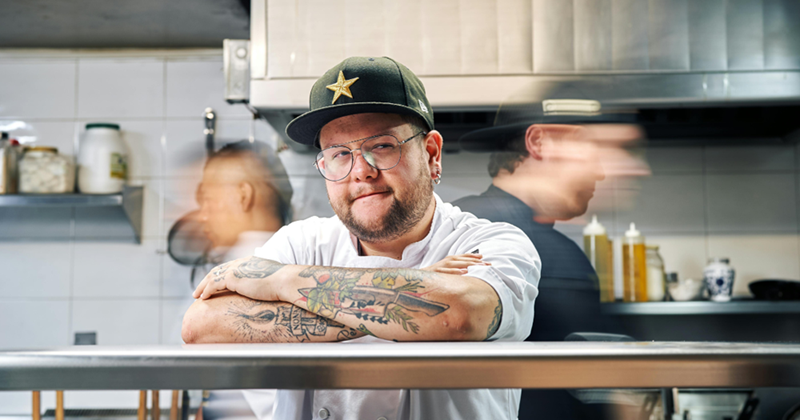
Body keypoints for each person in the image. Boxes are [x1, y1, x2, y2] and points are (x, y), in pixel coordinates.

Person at [182, 56, 540, 420]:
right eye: (339, 155)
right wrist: (414, 294)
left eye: (383, 146)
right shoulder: (301, 243)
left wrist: (283, 280)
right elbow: (202, 326)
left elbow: (459, 317)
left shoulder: (491, 243)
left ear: (431, 154)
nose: (361, 172)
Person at [454, 112, 643, 419]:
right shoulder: (554, 256)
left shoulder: (456, 223)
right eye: (592, 147)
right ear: (538, 142)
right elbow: (603, 392)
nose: (601, 172)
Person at [179, 140, 294, 420]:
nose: (203, 215)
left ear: (243, 196)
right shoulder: (283, 263)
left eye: (208, 200)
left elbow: (274, 402)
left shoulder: (250, 274)